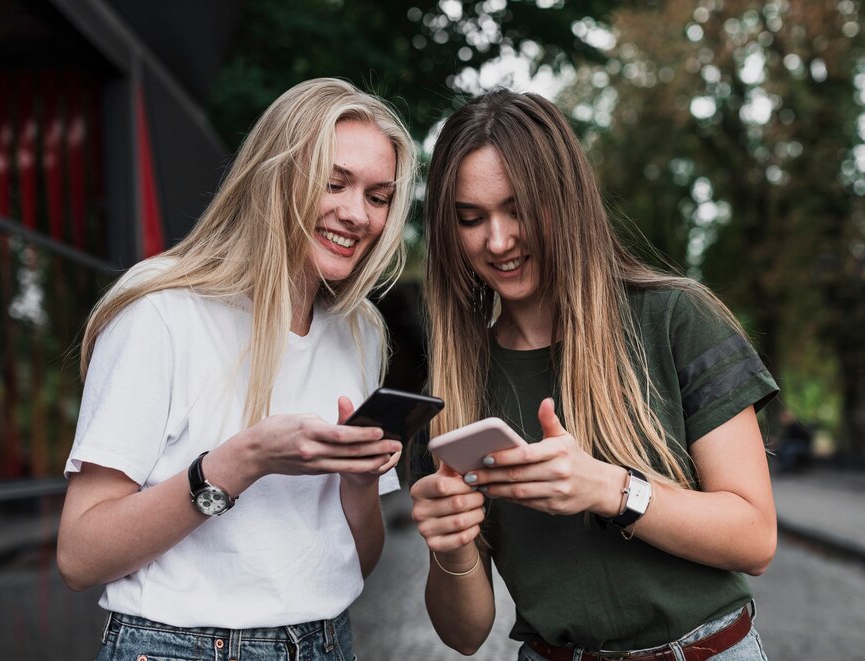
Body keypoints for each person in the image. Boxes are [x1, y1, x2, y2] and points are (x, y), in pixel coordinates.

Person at [409, 89, 779, 661]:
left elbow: (755, 539)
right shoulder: (453, 388)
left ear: (566, 199)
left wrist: (609, 489)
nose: (499, 240)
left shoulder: (676, 318)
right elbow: (465, 636)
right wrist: (452, 550)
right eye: (470, 218)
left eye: (519, 208)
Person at [57, 77, 417, 661]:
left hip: (325, 640)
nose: (357, 214)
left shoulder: (361, 329)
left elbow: (357, 560)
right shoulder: (161, 311)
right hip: (177, 647)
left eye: (378, 197)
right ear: (274, 175)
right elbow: (80, 555)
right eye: (334, 183)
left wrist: (358, 483)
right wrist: (240, 461)